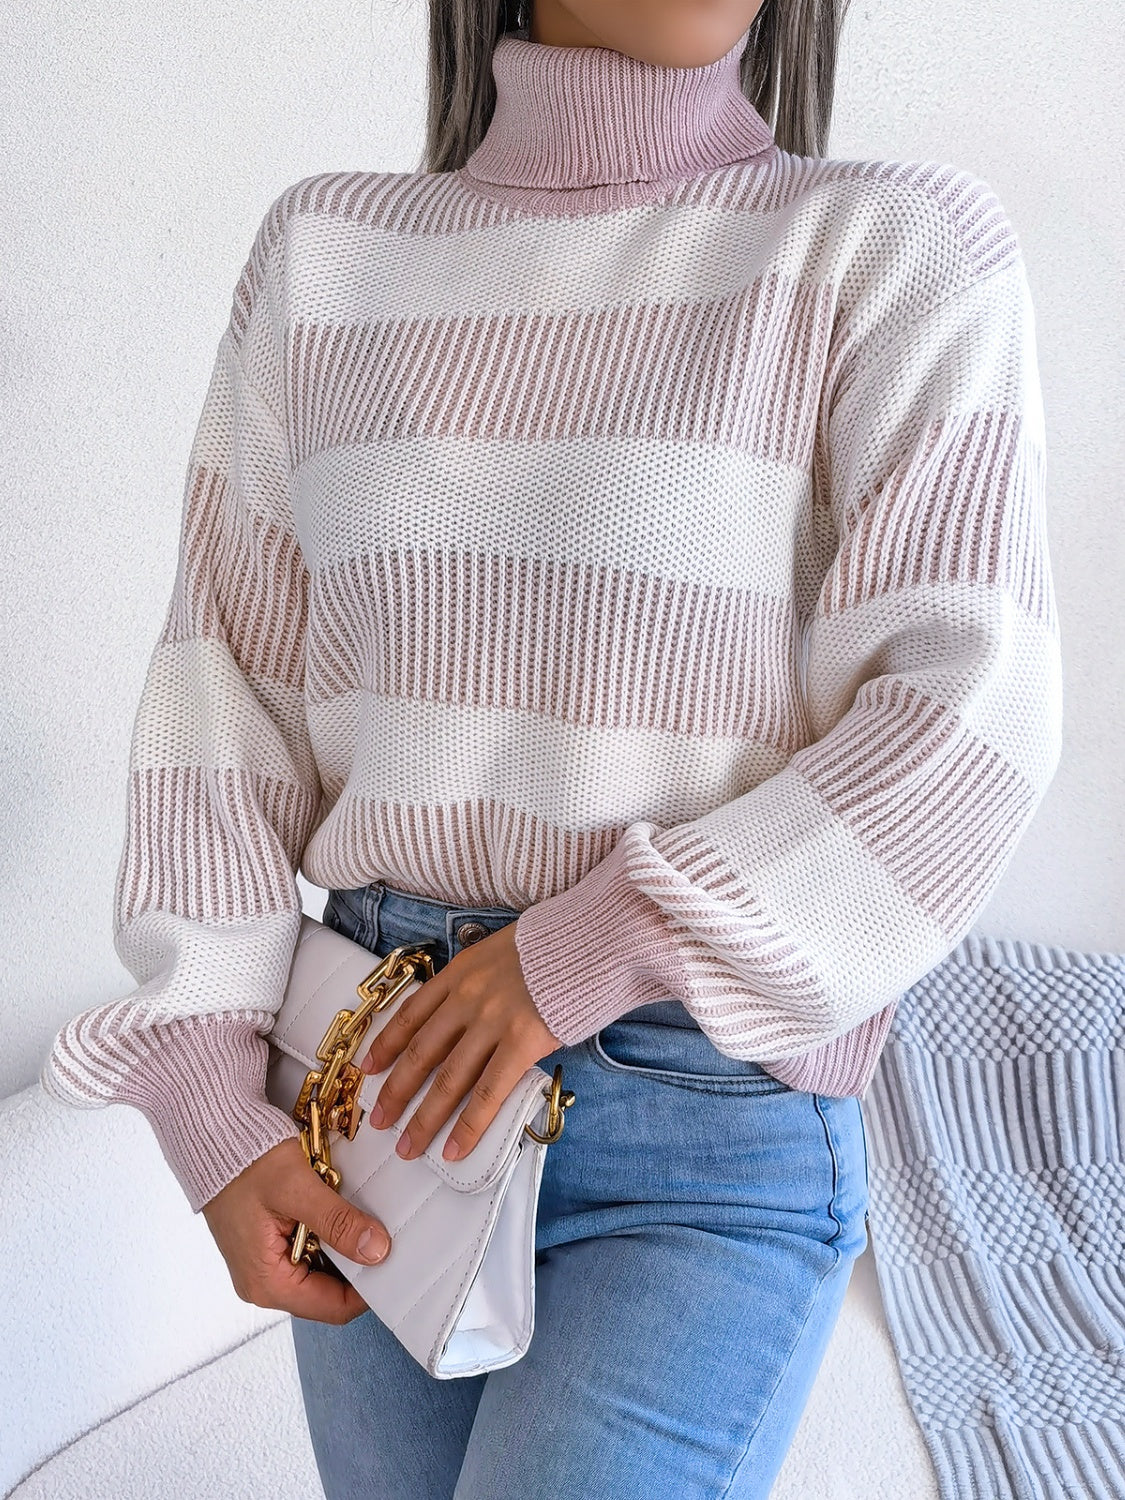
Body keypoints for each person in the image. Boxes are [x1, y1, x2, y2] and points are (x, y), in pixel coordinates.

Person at [41, 0, 1063, 1494]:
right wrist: (207, 1097)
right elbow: (222, 696)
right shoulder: (327, 255)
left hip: (704, 1110)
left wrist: (577, 954)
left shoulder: (890, 247)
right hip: (375, 1094)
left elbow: (963, 718)